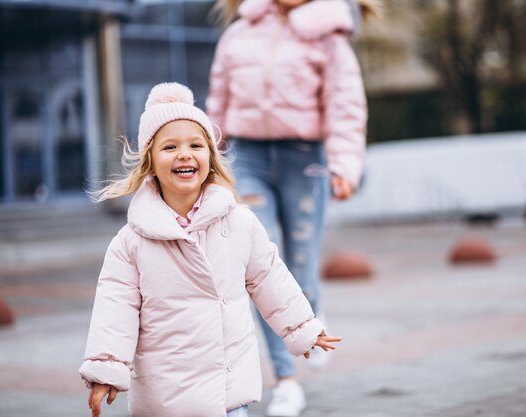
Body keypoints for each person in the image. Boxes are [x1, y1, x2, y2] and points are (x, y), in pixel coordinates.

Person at [78, 82, 341, 417]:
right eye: (169, 147)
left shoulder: (240, 223)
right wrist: (106, 370)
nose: (185, 154)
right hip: (165, 396)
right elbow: (115, 308)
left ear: (210, 158)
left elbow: (269, 278)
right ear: (150, 162)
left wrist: (302, 327)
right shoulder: (131, 242)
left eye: (196, 145)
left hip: (228, 392)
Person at [207, 0, 380, 415]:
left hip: (306, 160)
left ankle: (311, 309)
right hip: (246, 159)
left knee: (300, 271)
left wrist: (344, 166)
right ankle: (287, 380)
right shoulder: (238, 32)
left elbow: (346, 105)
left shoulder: (329, 37)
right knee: (260, 267)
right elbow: (217, 103)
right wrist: (208, 159)